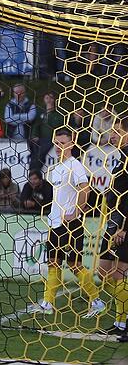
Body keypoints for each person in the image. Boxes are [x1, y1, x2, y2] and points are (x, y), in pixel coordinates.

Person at [30, 130, 105, 318]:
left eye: (62, 143)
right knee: (53, 263)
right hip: (55, 223)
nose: (58, 146)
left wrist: (77, 211)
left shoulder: (75, 166)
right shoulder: (56, 168)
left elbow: (85, 189)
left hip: (70, 224)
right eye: (56, 143)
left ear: (71, 145)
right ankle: (48, 303)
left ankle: (96, 301)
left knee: (74, 265)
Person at [96, 116, 128, 337]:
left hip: (124, 223)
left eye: (117, 130)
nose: (112, 134)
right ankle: (120, 321)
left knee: (120, 273)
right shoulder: (121, 156)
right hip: (114, 220)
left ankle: (123, 323)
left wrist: (125, 227)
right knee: (103, 271)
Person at [30, 92, 64, 170]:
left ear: (55, 100)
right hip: (41, 139)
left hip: (51, 139)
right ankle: (33, 168)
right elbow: (36, 125)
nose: (49, 100)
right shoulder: (40, 113)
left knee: (42, 151)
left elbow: (58, 126)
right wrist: (34, 135)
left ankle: (35, 169)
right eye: (47, 98)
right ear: (44, 100)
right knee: (33, 146)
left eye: (51, 98)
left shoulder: (59, 115)